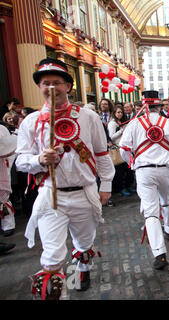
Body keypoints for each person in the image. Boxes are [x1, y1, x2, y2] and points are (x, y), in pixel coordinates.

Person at [15, 58, 114, 299]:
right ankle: (56, 293)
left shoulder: (88, 117)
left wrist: (106, 185)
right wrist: (39, 160)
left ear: (68, 86)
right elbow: (20, 161)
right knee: (52, 254)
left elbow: (101, 154)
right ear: (39, 87)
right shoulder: (31, 122)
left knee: (84, 240)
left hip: (85, 192)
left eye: (57, 82)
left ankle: (82, 266)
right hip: (51, 195)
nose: (51, 88)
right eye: (45, 83)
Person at [120, 90, 169, 270]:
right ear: (159, 106)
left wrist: (133, 163)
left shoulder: (134, 124)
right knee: (166, 200)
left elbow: (124, 150)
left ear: (143, 106)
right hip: (165, 170)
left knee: (150, 210)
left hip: (144, 171)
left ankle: (160, 253)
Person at [108, 105, 134, 197]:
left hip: (125, 148)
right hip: (117, 149)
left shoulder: (123, 122)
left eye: (121, 112)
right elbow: (111, 137)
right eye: (118, 112)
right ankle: (121, 188)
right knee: (120, 171)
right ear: (114, 113)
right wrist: (121, 130)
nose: (120, 114)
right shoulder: (113, 123)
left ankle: (128, 186)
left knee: (128, 170)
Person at [0, 124, 17, 237]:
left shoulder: (1, 128)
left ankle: (8, 226)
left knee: (3, 198)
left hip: (1, 166)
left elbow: (8, 148)